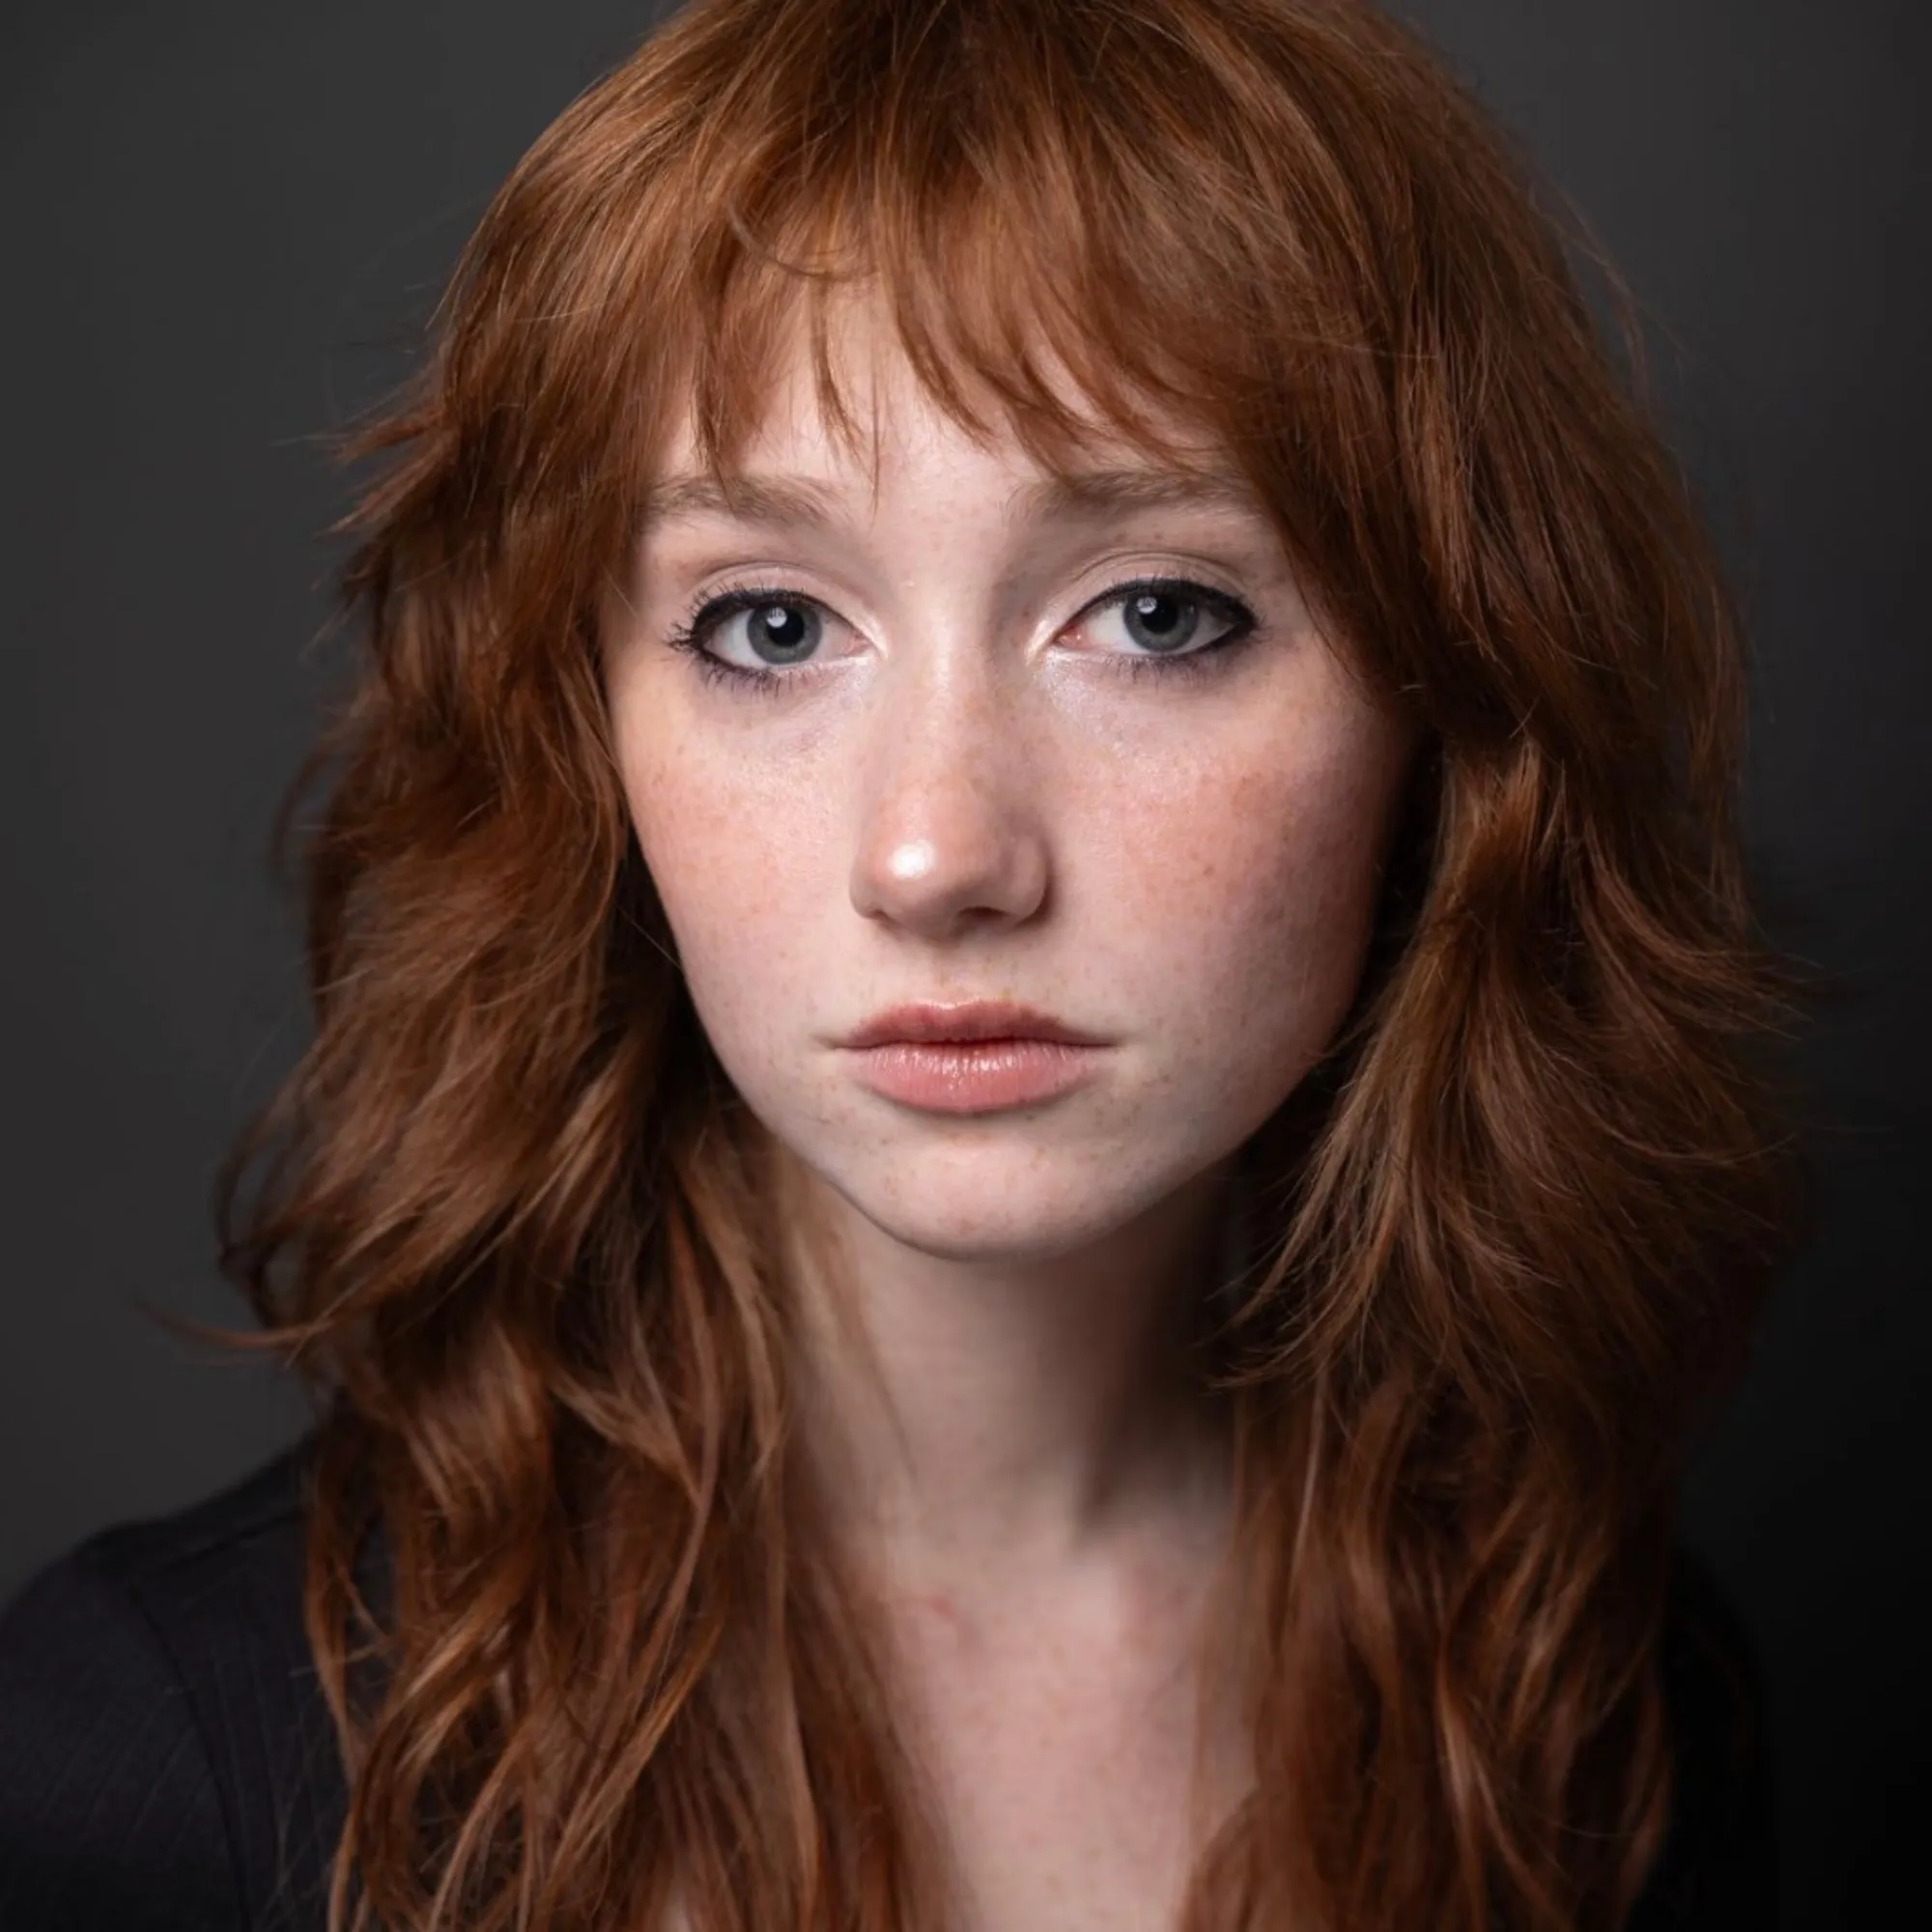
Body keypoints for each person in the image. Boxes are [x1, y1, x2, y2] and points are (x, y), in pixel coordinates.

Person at [0, 0, 1808, 1927]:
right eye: (771, 624)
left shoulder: (1593, 1708)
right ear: (583, 732)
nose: (933, 853)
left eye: (1157, 611)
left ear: (1453, 703)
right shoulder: (157, 1770)